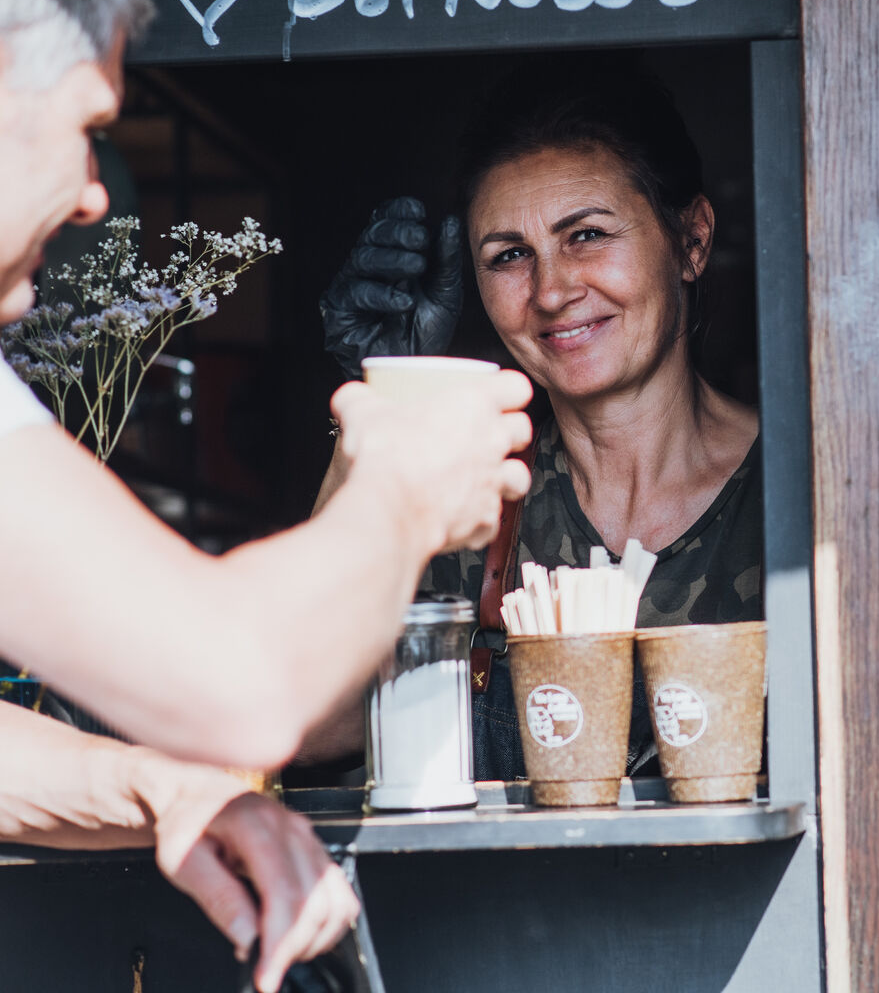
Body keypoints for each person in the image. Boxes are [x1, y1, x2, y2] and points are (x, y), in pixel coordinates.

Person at [0, 0, 532, 993]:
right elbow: (243, 683)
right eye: (89, 125)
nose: (98, 190)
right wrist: (408, 482)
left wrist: (157, 787)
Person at [306, 64, 762, 780]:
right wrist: (381, 409)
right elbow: (312, 719)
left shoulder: (794, 494)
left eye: (586, 234)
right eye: (511, 255)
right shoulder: (470, 502)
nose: (551, 291)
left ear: (691, 241)